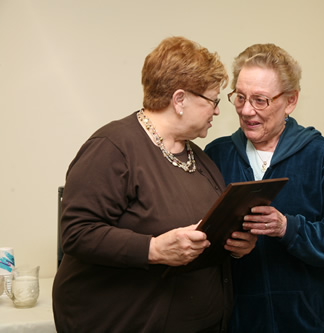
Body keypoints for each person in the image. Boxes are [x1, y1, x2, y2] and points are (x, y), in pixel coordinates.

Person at [52, 36, 256, 333]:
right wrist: (153, 248)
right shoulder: (113, 147)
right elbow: (77, 232)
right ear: (180, 100)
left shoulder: (200, 159)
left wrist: (235, 246)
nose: (217, 111)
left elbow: (201, 235)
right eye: (213, 100)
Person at [204, 43, 324, 333]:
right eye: (240, 98)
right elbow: (203, 241)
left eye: (260, 100)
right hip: (241, 321)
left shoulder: (319, 155)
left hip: (309, 321)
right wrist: (231, 249)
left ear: (290, 101)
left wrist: (287, 228)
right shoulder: (217, 155)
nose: (247, 110)